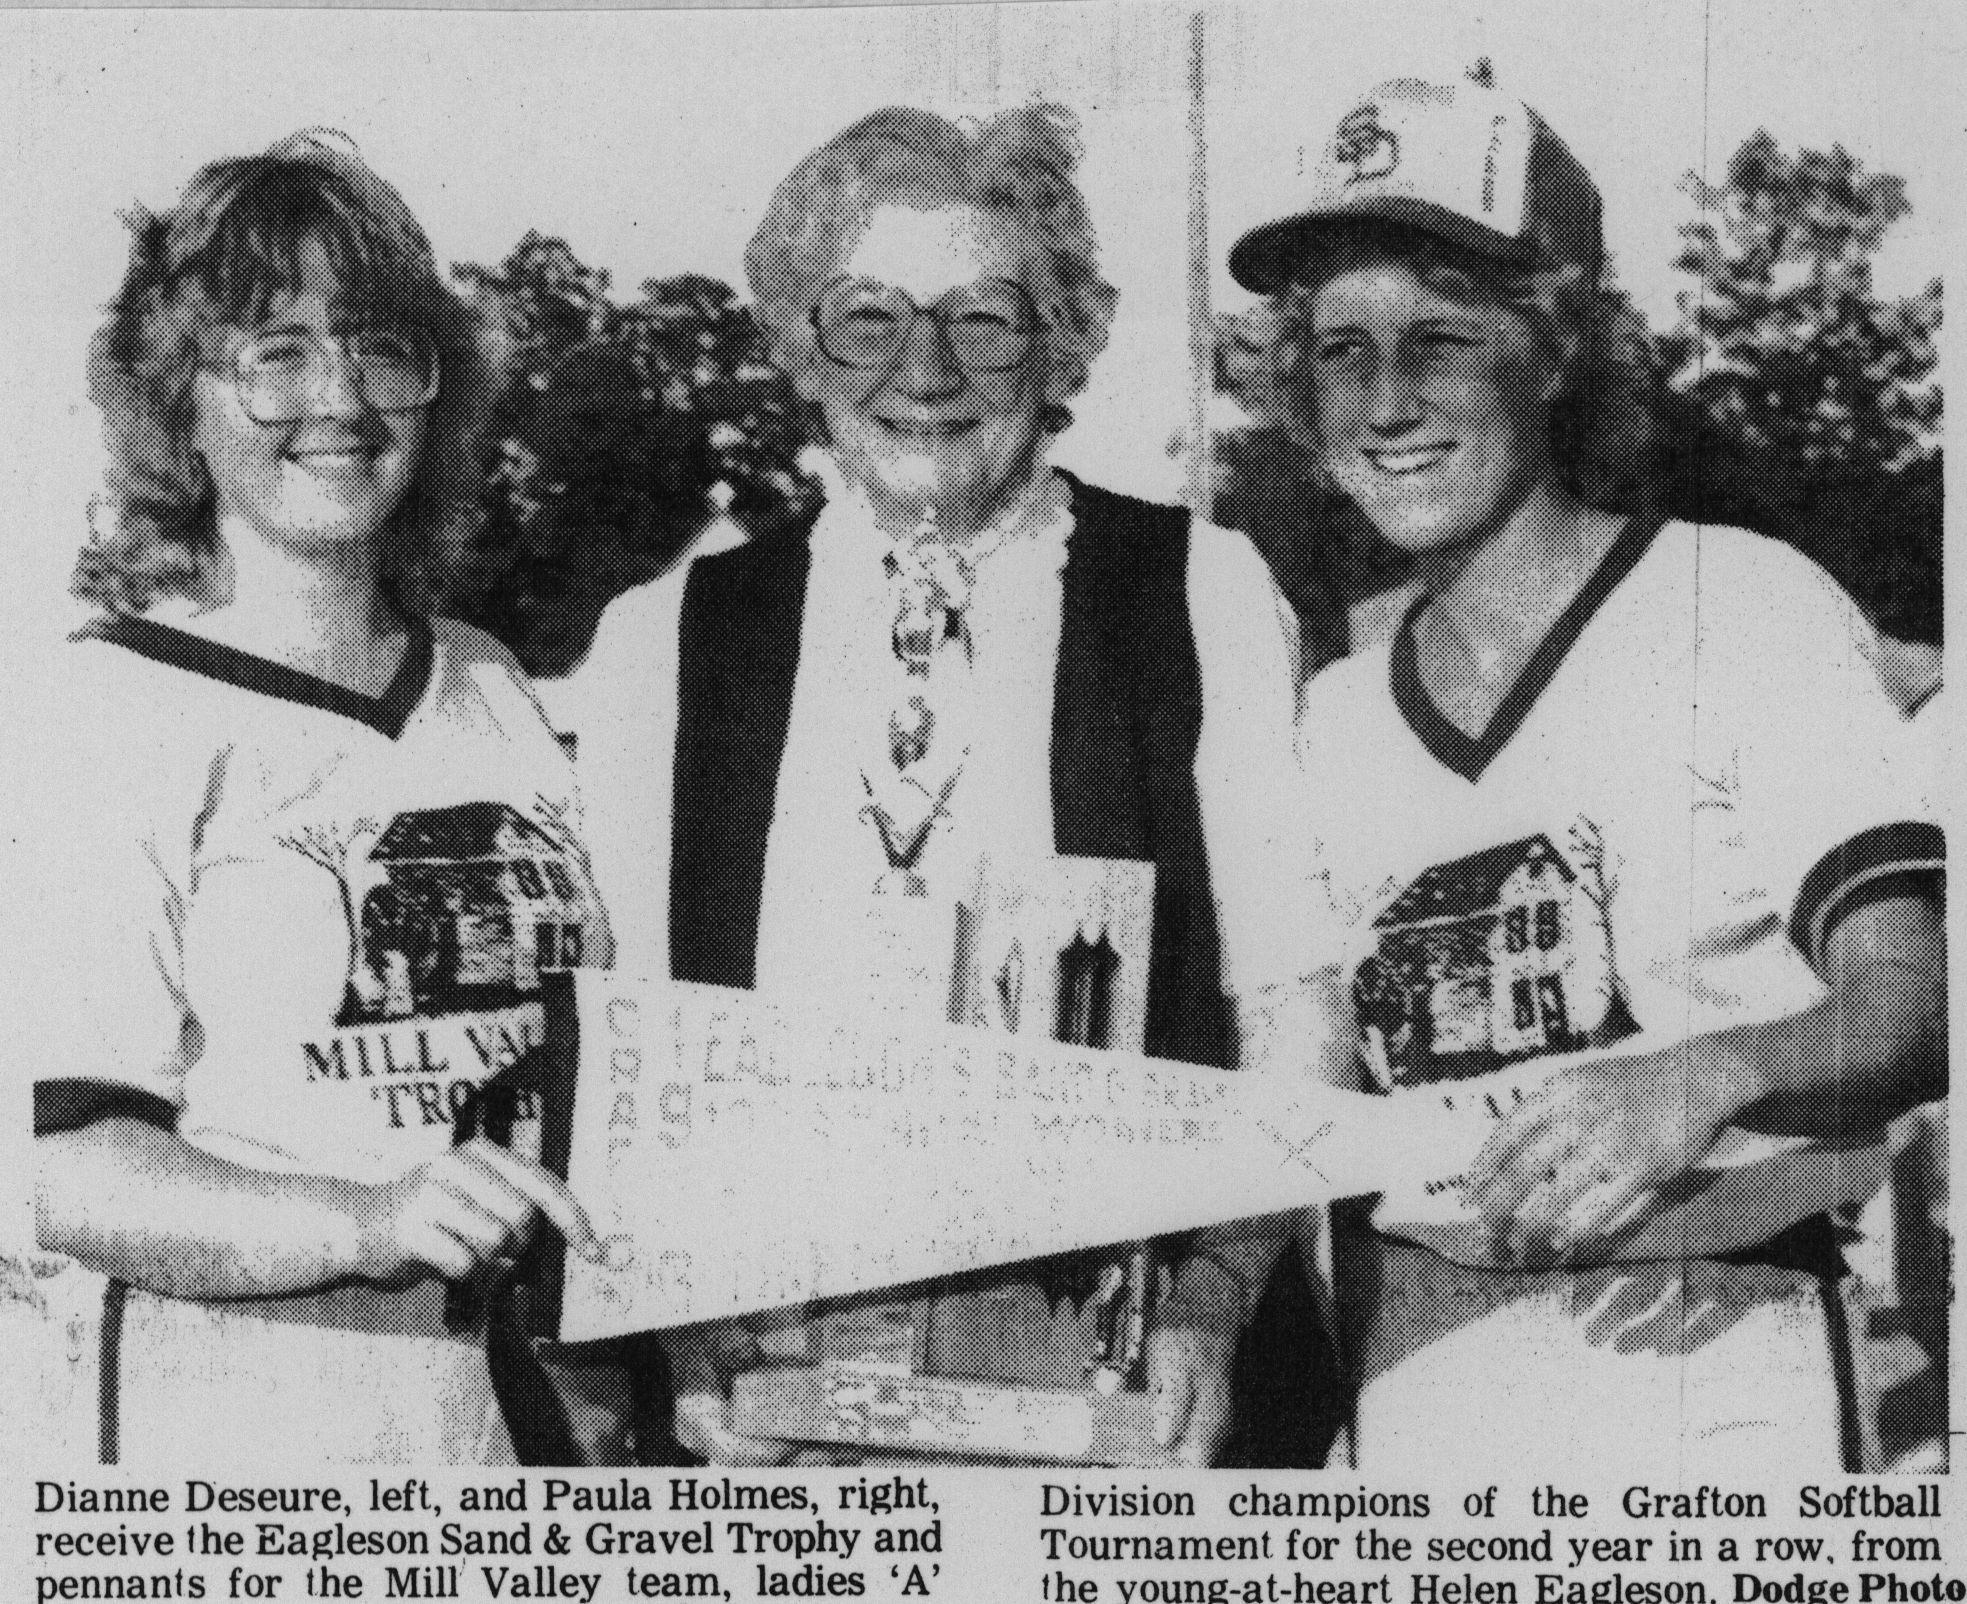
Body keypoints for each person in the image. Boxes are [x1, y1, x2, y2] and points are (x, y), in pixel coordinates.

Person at [554, 104, 1313, 1466]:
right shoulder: (664, 638)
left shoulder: (1198, 590)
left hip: (1114, 1388)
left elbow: (1292, 1009)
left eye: (983, 318)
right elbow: (627, 1049)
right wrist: (680, 1322)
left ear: (1063, 338)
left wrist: (1212, 1303)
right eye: (867, 318)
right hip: (773, 1383)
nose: (926, 368)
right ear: (801, 341)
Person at [1226, 77, 1946, 1469]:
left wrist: (1705, 1075)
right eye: (1338, 351)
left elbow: (1917, 1000)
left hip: (1715, 1345)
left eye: (1440, 338)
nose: (1385, 403)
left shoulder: (1730, 602)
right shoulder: (1329, 716)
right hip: (1421, 1359)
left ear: (1551, 350)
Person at [31, 133, 619, 1464]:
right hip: (264, 1445)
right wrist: (369, 1217)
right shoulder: (108, 709)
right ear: (178, 398)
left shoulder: (487, 681)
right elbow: (61, 1165)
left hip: (530, 1434)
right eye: (276, 352)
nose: (340, 396)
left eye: (379, 346)